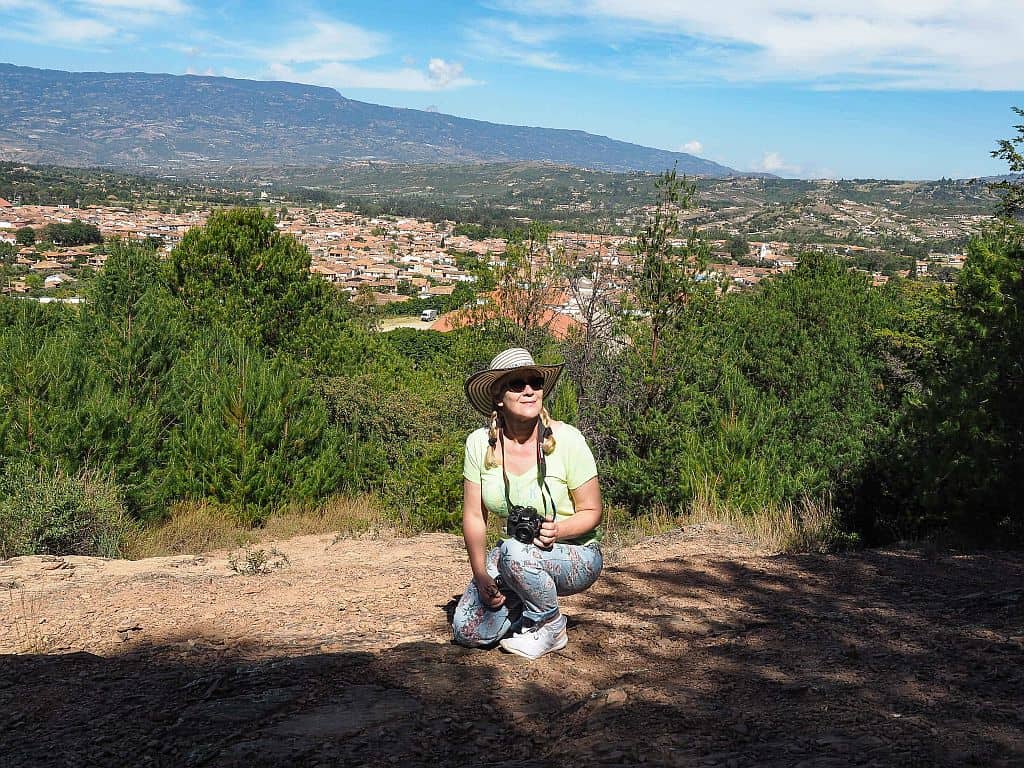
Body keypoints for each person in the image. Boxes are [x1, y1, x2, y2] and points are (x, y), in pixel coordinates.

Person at [451, 347, 603, 659]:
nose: (529, 390)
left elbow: (592, 511)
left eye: (535, 382)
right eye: (517, 384)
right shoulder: (479, 444)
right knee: (468, 631)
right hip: (516, 555)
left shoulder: (568, 440)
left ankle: (550, 626)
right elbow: (474, 516)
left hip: (575, 553)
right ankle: (527, 608)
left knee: (512, 552)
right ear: (497, 396)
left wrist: (557, 529)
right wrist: (480, 573)